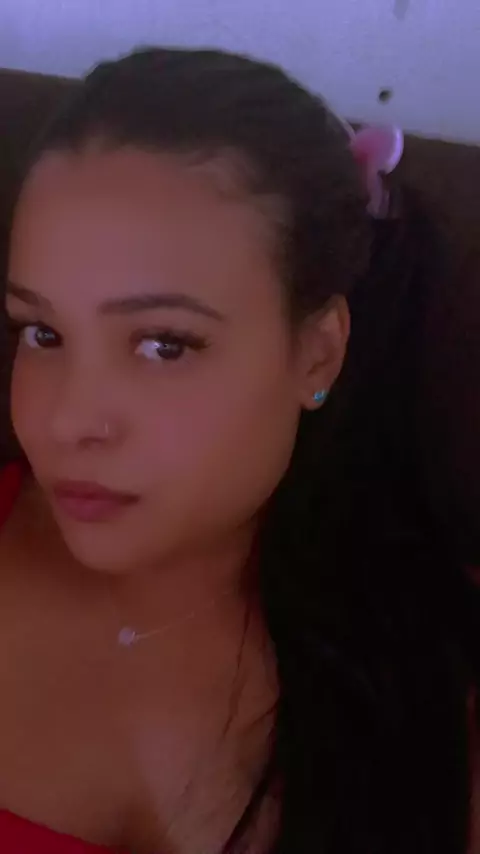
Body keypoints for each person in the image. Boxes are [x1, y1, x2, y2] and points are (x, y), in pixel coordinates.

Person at [0, 47, 476, 854]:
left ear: (317, 353)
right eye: (42, 333)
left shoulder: (443, 671)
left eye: (165, 344)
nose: (68, 421)